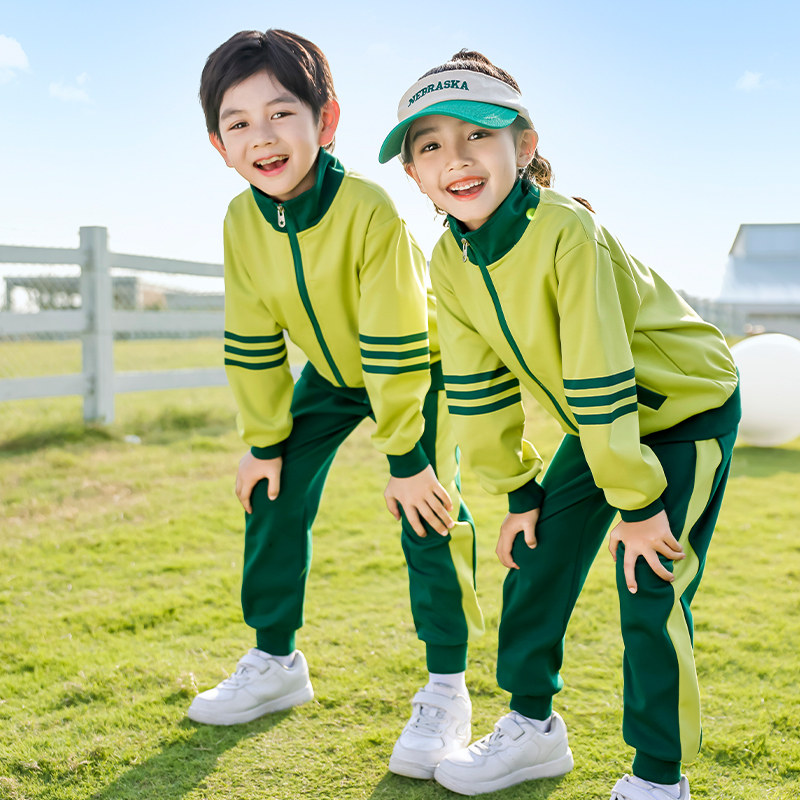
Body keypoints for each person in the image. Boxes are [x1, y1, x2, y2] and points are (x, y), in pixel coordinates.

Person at [379, 49, 740, 800]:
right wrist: (519, 492)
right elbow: (478, 393)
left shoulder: (567, 229)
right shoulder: (449, 258)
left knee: (648, 579)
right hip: (602, 427)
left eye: (477, 134)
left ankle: (657, 778)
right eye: (430, 146)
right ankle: (534, 731)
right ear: (413, 174)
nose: (457, 159)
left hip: (684, 411)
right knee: (537, 557)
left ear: (526, 146)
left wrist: (640, 508)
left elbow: (600, 375)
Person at [188, 30, 483, 778]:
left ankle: (447, 686)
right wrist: (262, 441)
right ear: (219, 145)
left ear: (325, 122)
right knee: (272, 490)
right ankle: (275, 660)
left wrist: (408, 459)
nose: (263, 136)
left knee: (426, 508)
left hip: (421, 367)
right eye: (238, 122)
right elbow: (251, 339)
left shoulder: (369, 208)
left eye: (282, 113)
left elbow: (391, 337)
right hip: (330, 373)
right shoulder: (238, 222)